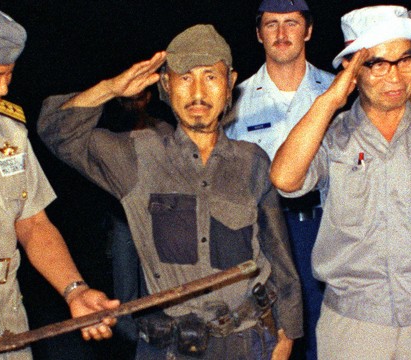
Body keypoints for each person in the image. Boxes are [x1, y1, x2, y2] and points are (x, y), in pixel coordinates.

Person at [37, 24, 303, 360]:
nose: (198, 92)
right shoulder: (135, 156)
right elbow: (56, 132)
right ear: (166, 84)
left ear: (230, 83)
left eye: (211, 77)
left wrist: (287, 333)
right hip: (172, 349)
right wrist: (109, 89)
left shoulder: (252, 160)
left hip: (250, 342)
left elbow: (278, 252)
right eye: (185, 77)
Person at [0, 1, 119, 359]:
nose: (3, 89)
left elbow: (32, 223)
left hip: (8, 331)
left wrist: (74, 290)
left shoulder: (9, 131)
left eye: (9, 75)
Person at [269, 5, 411, 359]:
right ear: (352, 69)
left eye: (405, 60)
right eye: (378, 63)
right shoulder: (333, 136)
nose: (394, 77)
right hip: (353, 324)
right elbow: (284, 179)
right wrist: (331, 99)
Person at [223, 1, 334, 358]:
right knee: (272, 337)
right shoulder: (235, 101)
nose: (282, 34)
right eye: (271, 24)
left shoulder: (336, 92)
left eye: (292, 23)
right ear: (258, 33)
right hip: (265, 234)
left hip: (326, 226)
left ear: (309, 30)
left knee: (329, 332)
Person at [100, 87, 175, 354]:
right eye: (127, 99)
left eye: (139, 98)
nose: (133, 104)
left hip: (158, 219)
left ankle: (155, 342)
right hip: (122, 219)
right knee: (124, 285)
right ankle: (132, 340)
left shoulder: (164, 130)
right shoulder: (109, 132)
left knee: (157, 283)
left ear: (147, 98)